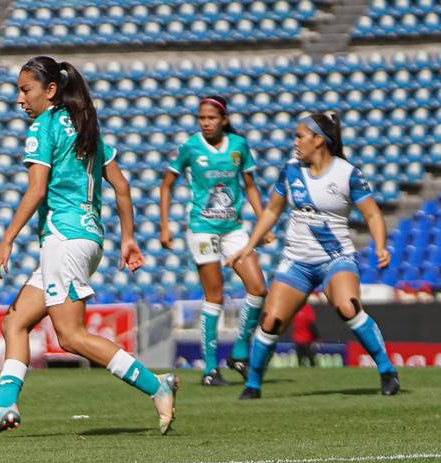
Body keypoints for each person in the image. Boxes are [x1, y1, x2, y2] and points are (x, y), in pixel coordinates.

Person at [0, 56, 178, 438]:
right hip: (86, 237)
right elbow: (123, 187)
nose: (19, 99)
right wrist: (128, 238)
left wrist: (6, 240)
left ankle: (155, 384)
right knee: (14, 322)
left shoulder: (43, 127)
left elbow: (36, 190)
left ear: (50, 91)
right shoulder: (86, 126)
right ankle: (4, 406)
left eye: (25, 90)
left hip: (64, 238)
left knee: (71, 336)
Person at [227, 112, 400, 399]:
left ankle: (386, 370)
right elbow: (272, 210)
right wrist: (249, 246)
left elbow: (372, 214)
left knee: (348, 306)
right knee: (270, 321)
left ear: (318, 140)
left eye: (299, 136)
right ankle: (253, 385)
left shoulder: (347, 173)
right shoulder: (291, 170)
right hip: (297, 262)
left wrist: (381, 246)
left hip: (336, 259)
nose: (294, 142)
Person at [160, 96, 272, 386]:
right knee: (215, 296)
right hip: (202, 228)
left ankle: (238, 352)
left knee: (258, 289)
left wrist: (263, 222)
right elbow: (167, 184)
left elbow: (250, 186)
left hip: (233, 229)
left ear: (223, 119)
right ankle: (210, 369)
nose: (205, 123)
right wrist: (164, 226)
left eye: (211, 118)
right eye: (201, 118)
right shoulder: (190, 147)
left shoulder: (238, 146)